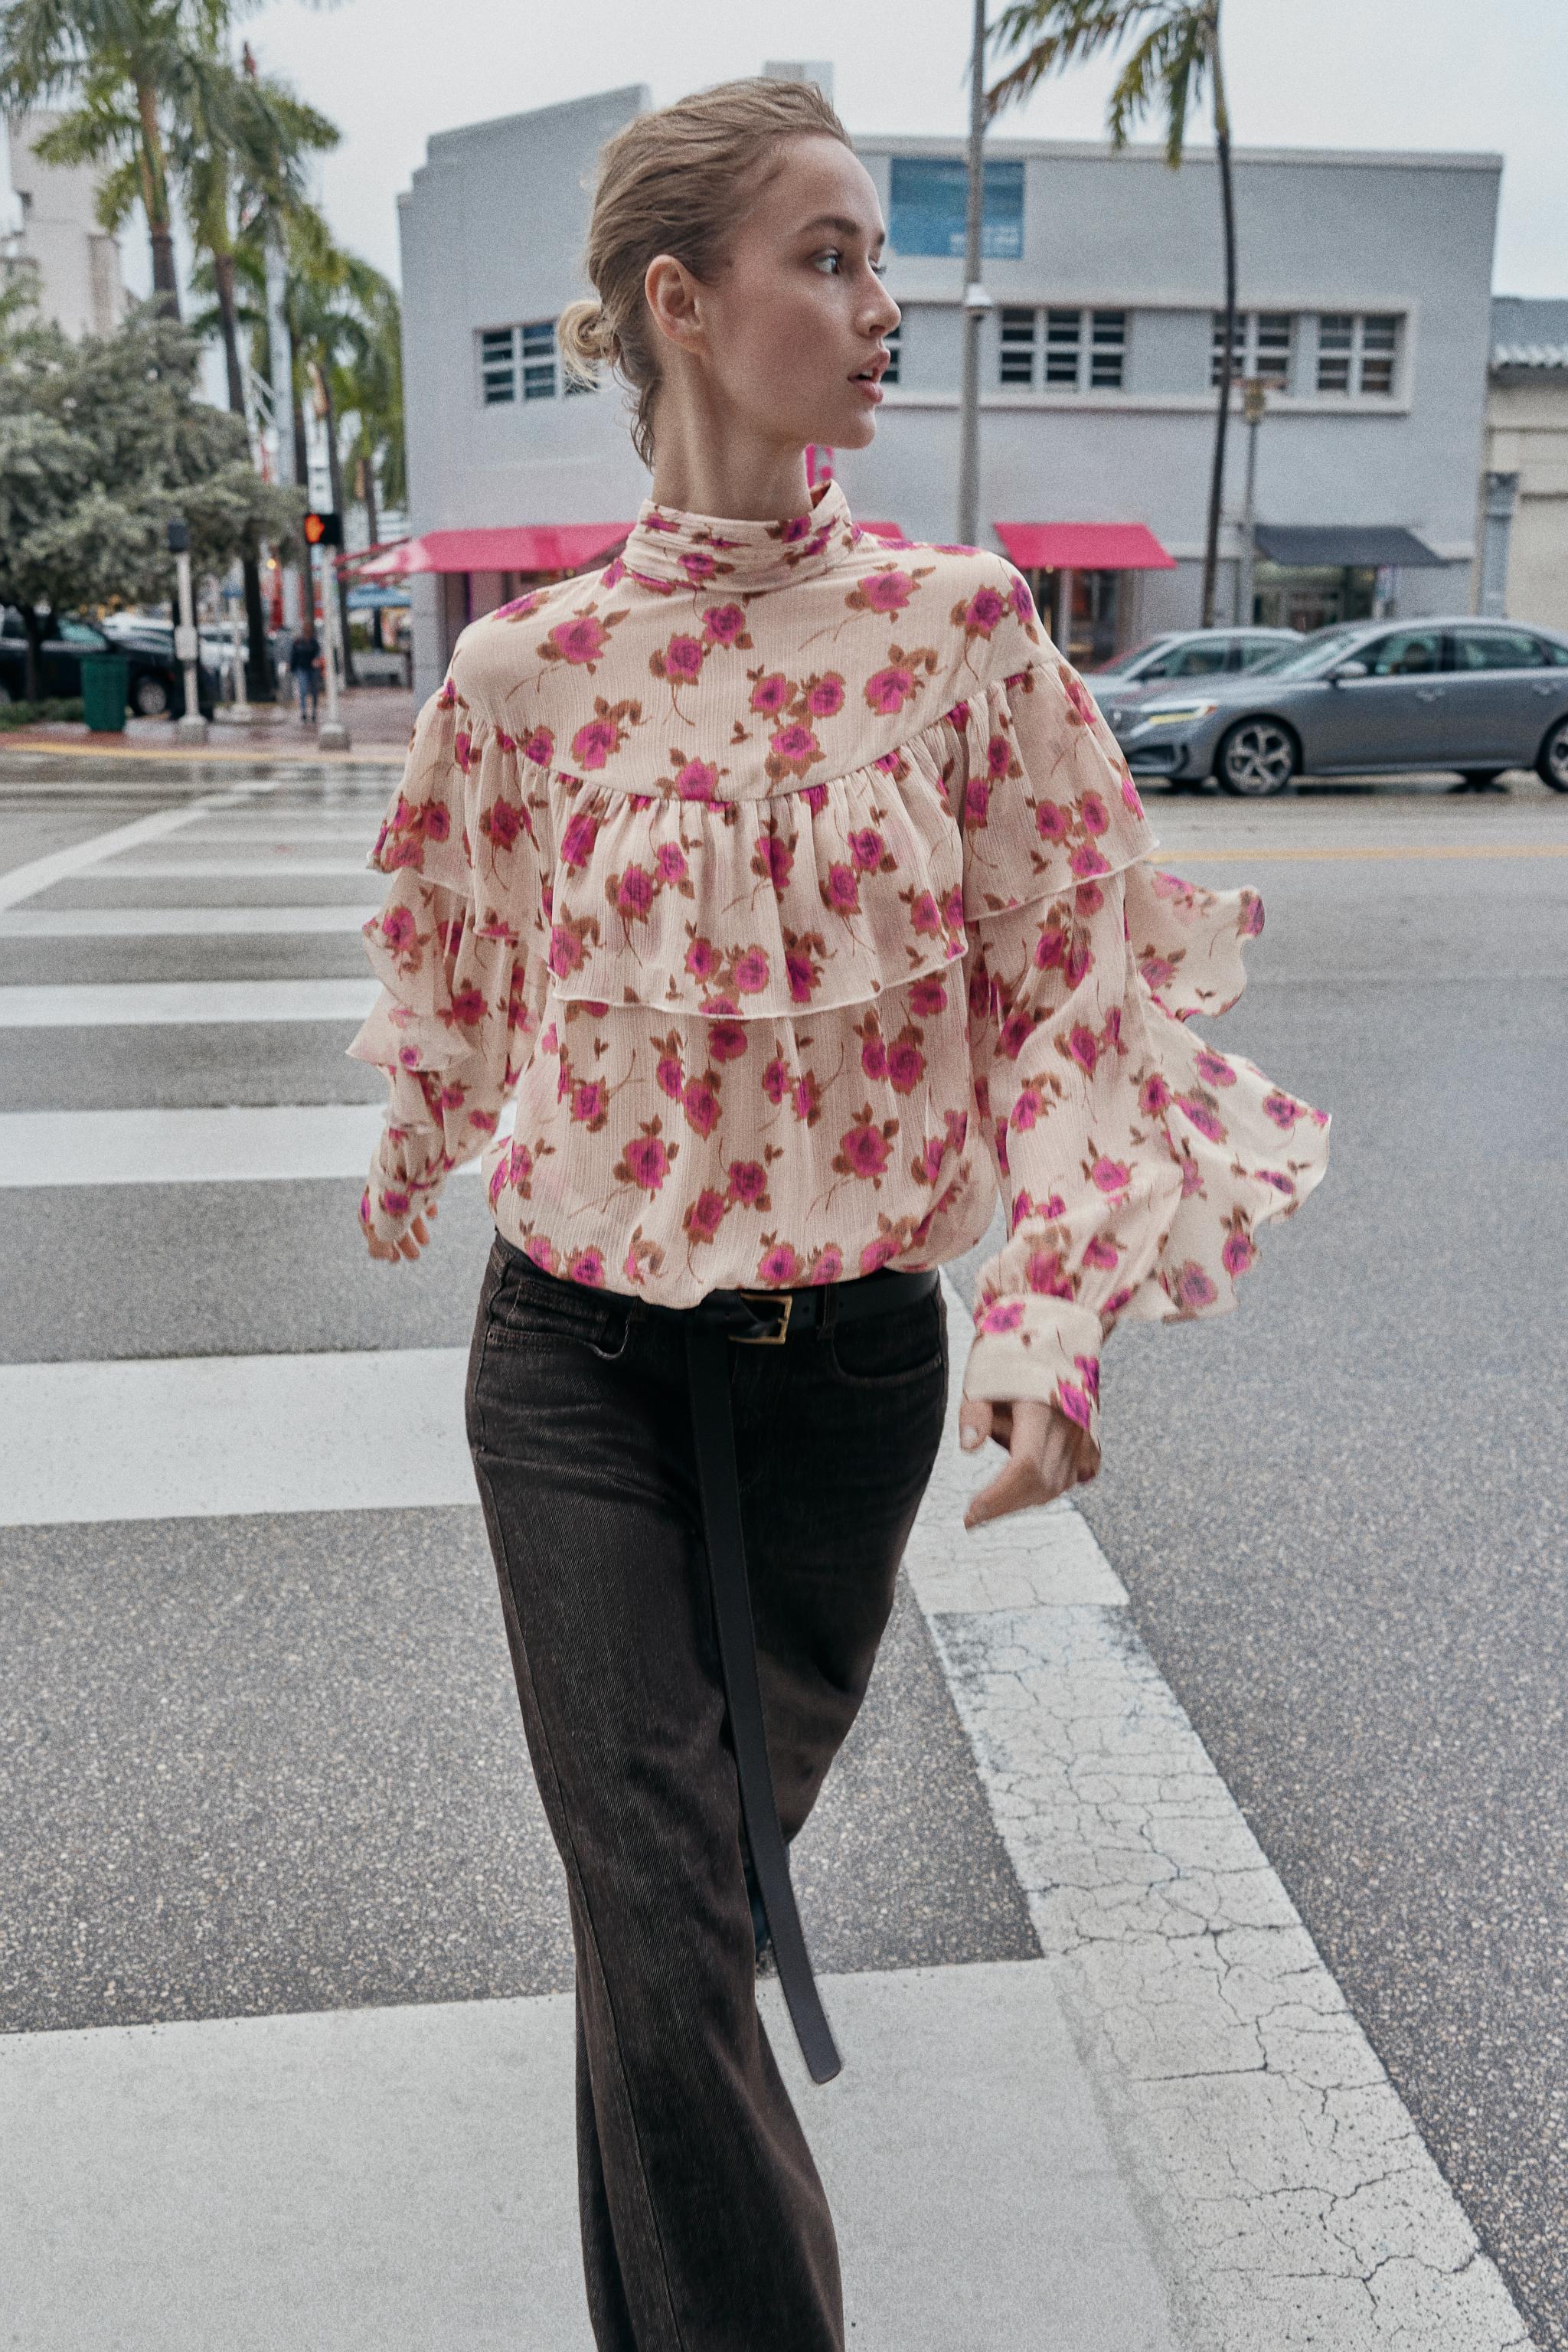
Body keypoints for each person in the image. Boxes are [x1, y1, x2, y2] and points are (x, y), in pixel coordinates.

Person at [351, 77, 1328, 2352]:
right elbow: (461, 974)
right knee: (678, 1927)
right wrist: (417, 1139)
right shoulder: (523, 678)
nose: (882, 307)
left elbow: (1075, 1008)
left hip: (843, 1390)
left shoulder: (967, 637)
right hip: (573, 1377)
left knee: (663, 1932)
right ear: (679, 308)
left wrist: (1049, 1327)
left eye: (880, 260)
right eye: (831, 258)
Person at [288, 623, 322, 720]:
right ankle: (303, 711)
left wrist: (316, 660)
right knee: (303, 690)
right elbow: (293, 655)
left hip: (312, 669)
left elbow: (318, 653)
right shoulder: (298, 642)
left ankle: (314, 711)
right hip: (301, 669)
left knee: (314, 691)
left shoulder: (314, 642)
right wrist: (291, 667)